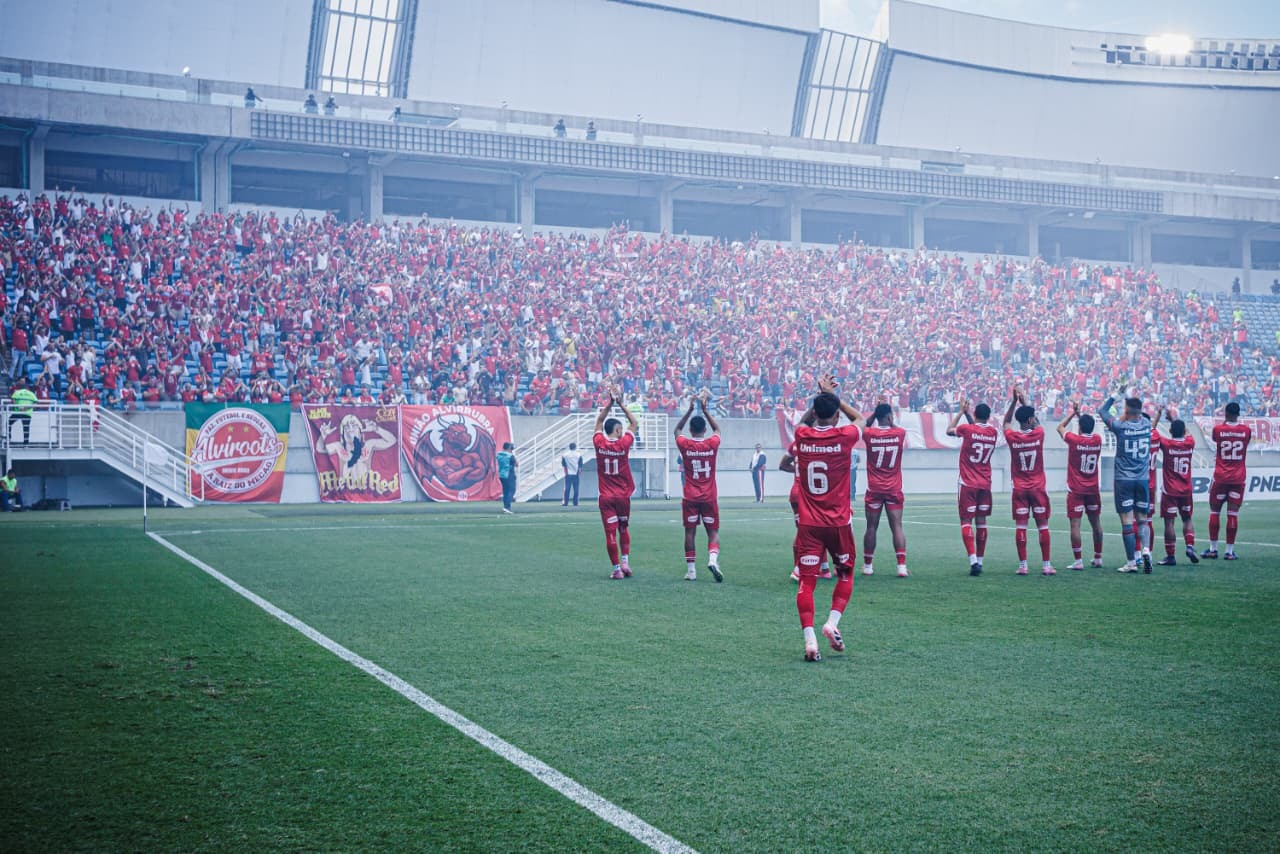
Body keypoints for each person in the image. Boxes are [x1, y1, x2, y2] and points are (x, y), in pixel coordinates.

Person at [792, 375, 865, 662]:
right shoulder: (844, 436)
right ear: (835, 414)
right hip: (838, 523)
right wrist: (834, 397)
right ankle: (832, 623)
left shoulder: (802, 435)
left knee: (806, 583)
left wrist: (818, 399)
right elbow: (859, 418)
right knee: (846, 574)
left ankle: (810, 641)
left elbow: (802, 422)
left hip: (809, 525)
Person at [1099, 386, 1154, 573]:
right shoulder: (1147, 424)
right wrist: (1130, 400)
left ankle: (1131, 562)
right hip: (1143, 479)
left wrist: (1116, 395)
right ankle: (1146, 550)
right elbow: (1141, 413)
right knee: (1143, 519)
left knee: (1127, 521)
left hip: (1124, 479)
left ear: (1126, 411)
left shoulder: (1120, 427)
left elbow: (1102, 411)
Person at [1003, 386, 1055, 576]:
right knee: (1043, 525)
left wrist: (1014, 402)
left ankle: (1023, 565)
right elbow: (1037, 423)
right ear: (1031, 420)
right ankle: (1046, 565)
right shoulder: (1038, 435)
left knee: (1021, 526)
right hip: (1038, 488)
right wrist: (1023, 401)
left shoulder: (1012, 437)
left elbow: (1006, 422)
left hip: (1020, 488)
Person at [674, 392, 723, 582]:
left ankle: (692, 571)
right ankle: (712, 559)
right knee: (713, 532)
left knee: (690, 532)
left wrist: (689, 411)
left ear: (691, 430)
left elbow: (677, 430)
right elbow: (718, 429)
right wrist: (705, 410)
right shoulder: (712, 443)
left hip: (690, 496)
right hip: (709, 496)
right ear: (704, 429)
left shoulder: (685, 444)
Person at [947, 398, 998, 576]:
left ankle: (973, 560)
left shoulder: (966, 429)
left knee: (966, 521)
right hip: (985, 483)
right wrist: (969, 415)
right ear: (989, 417)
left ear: (975, 414)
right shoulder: (993, 432)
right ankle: (981, 561)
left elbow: (949, 431)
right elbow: (977, 430)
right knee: (982, 522)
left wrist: (961, 412)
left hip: (968, 483)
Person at [593, 388, 640, 579]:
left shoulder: (599, 443)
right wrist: (620, 403)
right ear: (619, 430)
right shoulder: (624, 444)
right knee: (624, 528)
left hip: (606, 497)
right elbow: (634, 423)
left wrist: (610, 403)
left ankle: (616, 570)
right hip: (623, 496)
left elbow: (599, 422)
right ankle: (626, 562)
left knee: (610, 533)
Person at [860, 399, 909, 578]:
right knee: (896, 526)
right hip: (894, 488)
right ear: (889, 416)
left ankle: (868, 566)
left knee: (871, 527)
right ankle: (901, 567)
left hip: (874, 488)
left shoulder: (869, 434)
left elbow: (863, 425)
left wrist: (875, 412)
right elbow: (894, 426)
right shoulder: (900, 433)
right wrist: (888, 418)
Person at [1057, 401, 1105, 570]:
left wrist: (1072, 413)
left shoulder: (1074, 440)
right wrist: (1080, 417)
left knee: (1075, 525)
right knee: (1096, 523)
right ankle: (1098, 557)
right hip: (1092, 489)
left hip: (1076, 490)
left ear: (1080, 427)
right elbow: (1085, 432)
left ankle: (1078, 561)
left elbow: (1060, 427)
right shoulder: (1098, 440)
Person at [1203, 401, 1252, 559]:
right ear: (1238, 414)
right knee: (1233, 514)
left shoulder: (1218, 429)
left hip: (1220, 477)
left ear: (1226, 414)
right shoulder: (1246, 431)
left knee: (1214, 512)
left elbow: (1216, 438)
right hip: (1238, 478)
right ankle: (1229, 552)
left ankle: (1213, 549)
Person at [781, 440, 831, 582]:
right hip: (812, 494)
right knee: (812, 532)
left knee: (807, 531)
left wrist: (799, 470)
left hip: (796, 493)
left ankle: (825, 568)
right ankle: (798, 569)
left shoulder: (796, 444)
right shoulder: (820, 444)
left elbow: (782, 465)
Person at [1154, 409, 1199, 566]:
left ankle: (1171, 556)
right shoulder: (1190, 443)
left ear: (1171, 431)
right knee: (1187, 518)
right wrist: (1174, 419)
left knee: (1169, 523)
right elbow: (1186, 431)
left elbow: (1153, 433)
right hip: (1186, 489)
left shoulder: (1167, 444)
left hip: (1170, 490)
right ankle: (1190, 546)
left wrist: (1160, 417)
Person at [8, 379, 37, 445]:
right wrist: (26, 408)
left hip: (18, 412)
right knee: (26, 427)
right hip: (27, 413)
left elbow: (13, 400)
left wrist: (18, 407)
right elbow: (35, 404)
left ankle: (8, 439)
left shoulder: (17, 392)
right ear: (28, 388)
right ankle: (26, 443)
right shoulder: (31, 394)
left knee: (8, 423)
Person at [496, 442, 517, 514]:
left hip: (501, 475)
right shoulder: (510, 456)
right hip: (509, 474)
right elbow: (516, 464)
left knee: (505, 491)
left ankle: (506, 506)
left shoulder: (499, 454)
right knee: (512, 490)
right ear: (509, 448)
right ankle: (507, 507)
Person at [561, 442, 583, 506]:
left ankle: (565, 503)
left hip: (568, 474)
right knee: (576, 489)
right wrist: (579, 471)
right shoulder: (578, 455)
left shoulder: (565, 455)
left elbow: (563, 464)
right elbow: (580, 464)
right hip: (576, 474)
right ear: (575, 447)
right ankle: (575, 503)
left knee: (567, 489)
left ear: (569, 447)